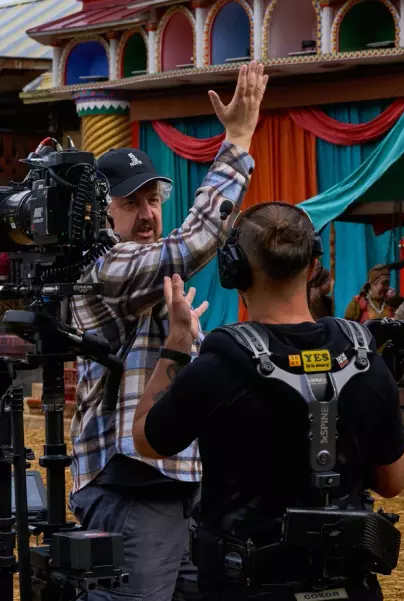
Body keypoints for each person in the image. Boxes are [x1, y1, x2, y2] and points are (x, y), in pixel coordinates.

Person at [132, 202, 404, 601]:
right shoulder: (364, 359)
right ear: (312, 266)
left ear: (234, 272)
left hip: (243, 590)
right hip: (349, 589)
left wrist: (178, 341)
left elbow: (147, 439)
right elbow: (393, 480)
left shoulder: (218, 366)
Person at [68, 61, 268, 601]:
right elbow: (192, 246)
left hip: (170, 483)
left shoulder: (144, 272)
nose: (147, 214)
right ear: (99, 216)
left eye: (153, 199)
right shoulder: (106, 267)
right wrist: (237, 141)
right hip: (132, 487)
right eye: (129, 203)